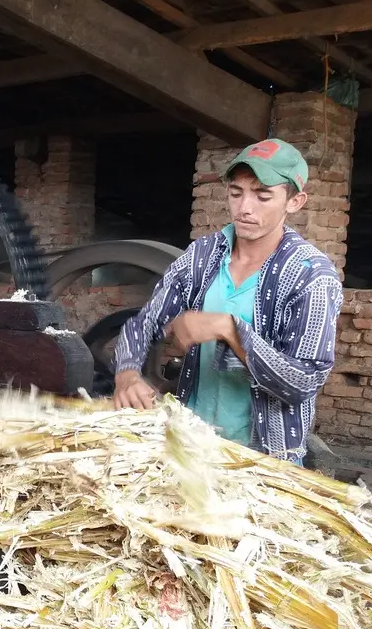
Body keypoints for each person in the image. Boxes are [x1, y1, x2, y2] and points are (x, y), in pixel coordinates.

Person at [112, 138, 343, 463]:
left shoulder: (311, 276)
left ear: (295, 201)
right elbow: (143, 324)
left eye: (263, 195)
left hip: (261, 462)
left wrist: (231, 330)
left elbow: (303, 381)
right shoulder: (202, 256)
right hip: (187, 447)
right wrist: (128, 373)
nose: (245, 208)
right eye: (236, 193)